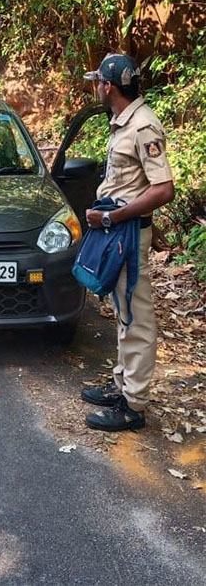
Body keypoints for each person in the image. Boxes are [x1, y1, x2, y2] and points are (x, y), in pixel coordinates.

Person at [80, 53, 175, 432]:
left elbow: (163, 189)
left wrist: (111, 217)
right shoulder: (124, 121)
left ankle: (133, 405)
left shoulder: (143, 126)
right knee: (123, 310)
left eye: (98, 82)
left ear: (109, 86)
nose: (96, 87)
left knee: (136, 317)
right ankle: (122, 384)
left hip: (127, 231)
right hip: (117, 230)